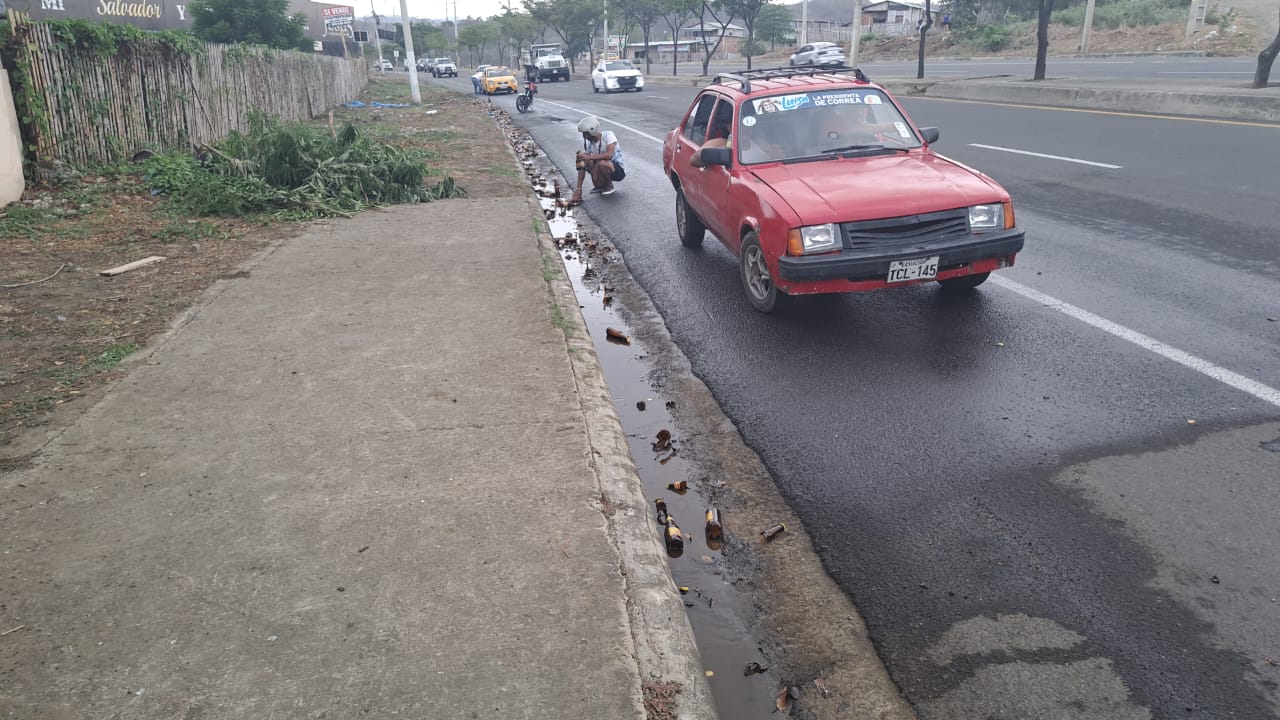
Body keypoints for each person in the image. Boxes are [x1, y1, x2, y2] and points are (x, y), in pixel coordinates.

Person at [570, 116, 625, 203]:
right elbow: (585, 163)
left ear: (593, 130)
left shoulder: (609, 135)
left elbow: (609, 155)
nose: (584, 136)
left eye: (586, 133)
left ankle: (609, 186)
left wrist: (589, 157)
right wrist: (578, 189)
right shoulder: (589, 145)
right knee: (582, 158)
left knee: (602, 162)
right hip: (601, 168)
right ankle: (594, 187)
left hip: (617, 171)